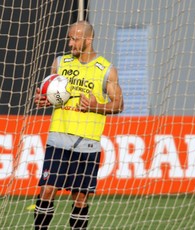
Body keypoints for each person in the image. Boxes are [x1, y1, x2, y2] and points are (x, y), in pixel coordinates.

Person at [34, 21, 123, 229]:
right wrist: (46, 99)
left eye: (75, 39)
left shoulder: (106, 69)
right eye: (69, 38)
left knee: (80, 198)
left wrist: (95, 105)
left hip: (87, 143)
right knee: (47, 189)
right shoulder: (60, 63)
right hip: (58, 138)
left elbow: (119, 104)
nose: (70, 43)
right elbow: (51, 93)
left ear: (88, 40)